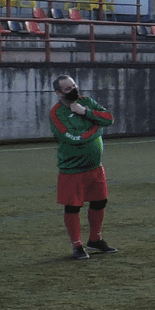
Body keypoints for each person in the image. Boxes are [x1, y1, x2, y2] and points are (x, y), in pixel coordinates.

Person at [49, 76, 116, 260]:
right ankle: (77, 246)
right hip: (72, 169)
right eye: (68, 88)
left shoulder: (87, 102)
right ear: (59, 93)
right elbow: (72, 137)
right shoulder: (56, 113)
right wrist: (97, 128)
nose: (74, 90)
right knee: (72, 207)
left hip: (95, 166)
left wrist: (85, 112)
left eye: (74, 85)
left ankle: (95, 239)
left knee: (100, 201)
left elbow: (109, 118)